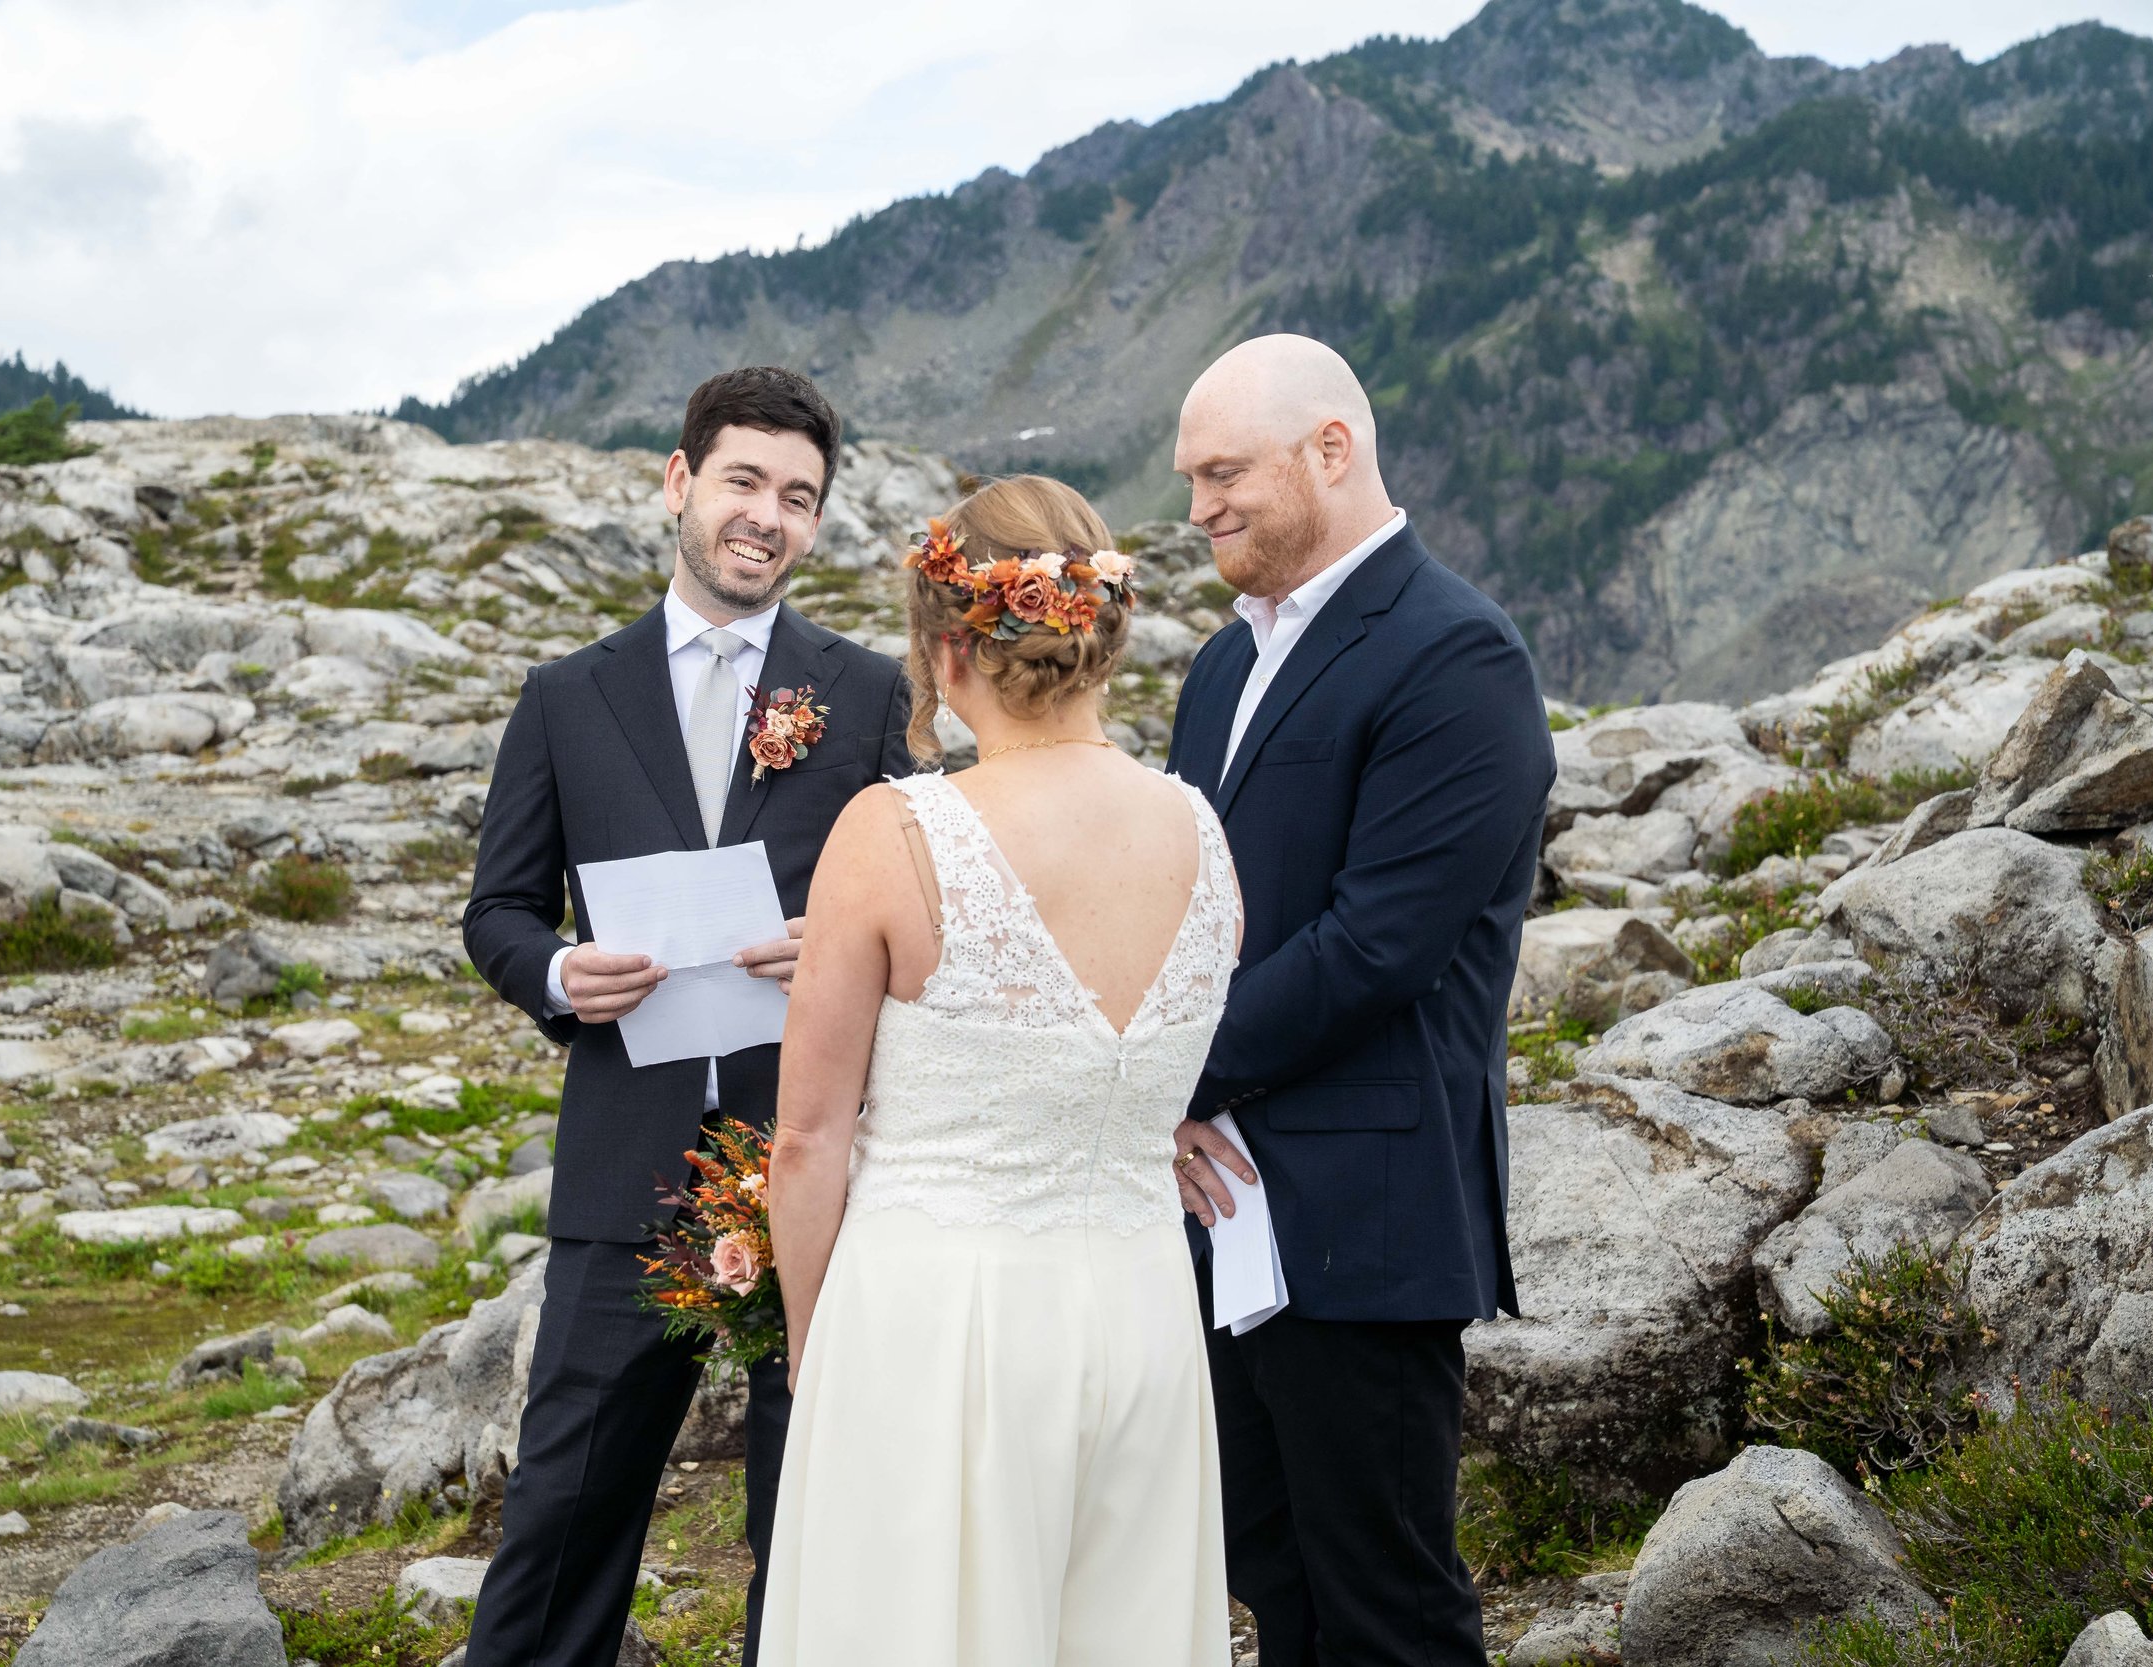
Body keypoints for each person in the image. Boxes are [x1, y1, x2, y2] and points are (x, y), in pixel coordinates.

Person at [459, 366, 913, 1667]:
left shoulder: (868, 695)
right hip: (626, 1157)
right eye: (744, 482)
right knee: (565, 1500)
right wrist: (555, 973)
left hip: (811, 1157)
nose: (768, 515)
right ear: (679, 482)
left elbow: (931, 907)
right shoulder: (565, 696)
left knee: (808, 1503)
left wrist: (840, 945)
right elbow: (497, 907)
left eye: (800, 497)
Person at [760, 474, 1243, 1667]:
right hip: (1140, 1313)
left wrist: (815, 1344)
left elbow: (809, 1138)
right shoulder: (1200, 829)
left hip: (934, 1325)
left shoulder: (895, 830)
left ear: (944, 652)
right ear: (1098, 632)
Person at [1162, 334, 1556, 1666]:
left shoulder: (1457, 654)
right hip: (1215, 1214)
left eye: (1225, 474)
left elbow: (1377, 946)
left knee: (1389, 1606)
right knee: (1273, 1583)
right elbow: (1174, 907)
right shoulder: (1220, 666)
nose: (1201, 507)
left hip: (1366, 1216)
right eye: (1191, 480)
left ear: (1331, 449)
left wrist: (1161, 1077)